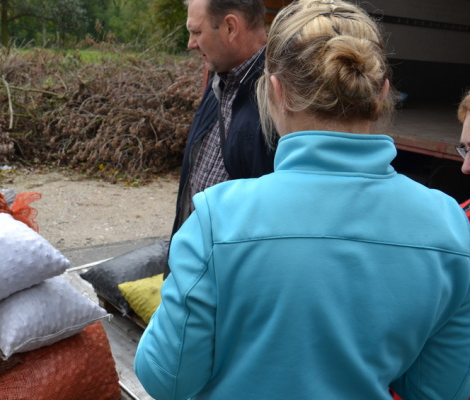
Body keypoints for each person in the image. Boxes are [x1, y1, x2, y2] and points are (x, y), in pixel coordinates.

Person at [134, 0, 470, 398]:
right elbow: (441, 389)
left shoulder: (216, 218)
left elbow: (164, 378)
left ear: (275, 92)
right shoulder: (449, 227)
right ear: (383, 94)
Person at [166, 0, 275, 276]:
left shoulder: (278, 97)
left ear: (230, 27)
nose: (191, 43)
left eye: (197, 32)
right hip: (197, 264)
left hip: (234, 278)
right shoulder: (220, 77)